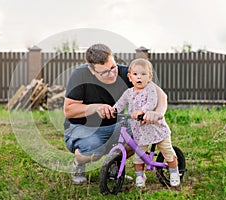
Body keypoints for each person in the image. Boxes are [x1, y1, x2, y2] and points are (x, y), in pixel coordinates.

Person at [63, 43, 168, 184]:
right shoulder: (80, 75)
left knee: (141, 133)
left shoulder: (127, 74)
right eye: (105, 72)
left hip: (115, 126)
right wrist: (95, 108)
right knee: (93, 149)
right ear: (92, 70)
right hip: (82, 128)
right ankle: (79, 164)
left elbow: (161, 94)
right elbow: (69, 110)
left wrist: (159, 113)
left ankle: (114, 167)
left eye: (113, 67)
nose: (112, 74)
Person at [112, 58, 180, 187]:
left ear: (150, 77)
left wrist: (141, 111)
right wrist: (113, 110)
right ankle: (140, 176)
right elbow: (120, 104)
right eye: (136, 74)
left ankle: (174, 171)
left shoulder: (150, 89)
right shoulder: (128, 93)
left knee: (167, 151)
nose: (139, 77)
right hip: (141, 132)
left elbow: (152, 102)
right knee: (139, 155)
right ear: (130, 77)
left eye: (143, 74)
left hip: (156, 129)